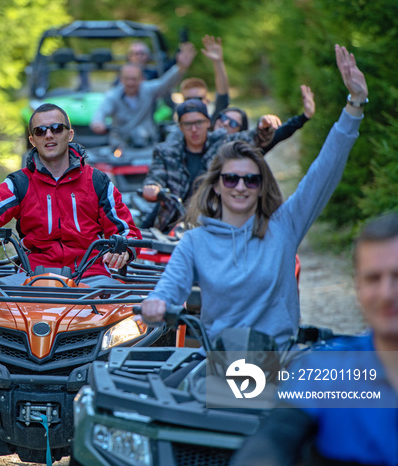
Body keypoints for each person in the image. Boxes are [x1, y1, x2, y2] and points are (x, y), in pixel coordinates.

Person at [140, 44, 367, 346]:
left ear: (262, 186)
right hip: (219, 360)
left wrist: (355, 105)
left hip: (278, 355)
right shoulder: (195, 241)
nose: (241, 186)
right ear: (217, 184)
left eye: (251, 179)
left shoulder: (284, 226)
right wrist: (156, 303)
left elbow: (324, 171)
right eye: (231, 178)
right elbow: (169, 289)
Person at [231, 212, 398, 466]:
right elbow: (273, 440)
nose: (386, 294)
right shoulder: (324, 369)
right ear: (358, 287)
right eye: (373, 279)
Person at [0, 103, 141, 285]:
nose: (49, 135)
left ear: (70, 134)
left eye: (57, 128)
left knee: (120, 312)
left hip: (91, 275)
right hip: (32, 275)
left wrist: (124, 248)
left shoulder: (98, 181)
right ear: (32, 140)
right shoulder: (20, 182)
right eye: (40, 131)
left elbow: (127, 231)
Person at [141, 98, 279, 231]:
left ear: (208, 122)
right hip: (170, 225)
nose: (194, 129)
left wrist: (264, 126)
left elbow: (256, 138)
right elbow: (155, 177)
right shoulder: (166, 151)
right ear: (180, 127)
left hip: (212, 223)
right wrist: (153, 188)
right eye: (188, 124)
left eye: (199, 122)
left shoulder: (223, 143)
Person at [89, 42, 196, 149]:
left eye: (134, 79)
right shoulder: (113, 95)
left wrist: (180, 68)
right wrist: (98, 123)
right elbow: (101, 111)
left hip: (147, 144)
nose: (130, 83)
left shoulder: (148, 90)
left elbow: (166, 83)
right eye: (127, 79)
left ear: (141, 79)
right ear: (121, 79)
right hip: (121, 146)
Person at [212, 84, 316, 154]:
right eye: (223, 117)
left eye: (233, 123)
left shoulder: (247, 150)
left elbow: (279, 134)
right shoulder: (200, 139)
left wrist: (305, 116)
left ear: (241, 131)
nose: (225, 123)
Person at [176, 35, 230, 118]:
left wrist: (218, 62)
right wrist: (181, 67)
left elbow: (222, 95)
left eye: (198, 99)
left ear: (207, 101)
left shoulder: (212, 122)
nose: (193, 104)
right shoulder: (177, 128)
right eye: (188, 99)